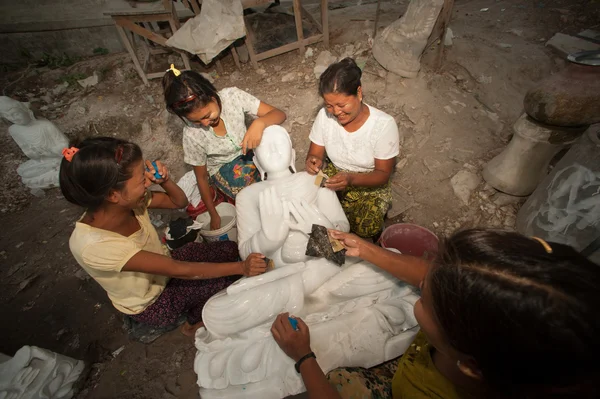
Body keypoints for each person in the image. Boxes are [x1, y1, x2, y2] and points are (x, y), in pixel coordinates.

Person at [271, 229, 600, 399]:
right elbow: (432, 276)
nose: (422, 281)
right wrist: (367, 249)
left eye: (428, 300)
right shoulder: (484, 335)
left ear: (471, 366)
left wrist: (304, 358)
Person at [59, 137, 267, 336]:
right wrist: (241, 268)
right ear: (114, 195)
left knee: (228, 249)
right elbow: (181, 270)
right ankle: (193, 324)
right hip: (154, 301)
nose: (148, 181)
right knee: (226, 282)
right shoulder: (95, 246)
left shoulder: (128, 200)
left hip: (164, 266)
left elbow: (179, 202)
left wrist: (165, 181)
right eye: (142, 179)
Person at [162, 65, 286, 230]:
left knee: (277, 152)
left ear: (213, 96)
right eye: (196, 121)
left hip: (248, 151)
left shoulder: (232, 97)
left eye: (207, 115)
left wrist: (259, 122)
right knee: (252, 195)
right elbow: (202, 178)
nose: (205, 123)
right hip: (224, 167)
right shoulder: (192, 134)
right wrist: (214, 214)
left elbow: (279, 114)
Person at [305, 58, 400, 239]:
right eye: (329, 105)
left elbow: (382, 174)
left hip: (368, 180)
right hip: (336, 173)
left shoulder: (383, 126)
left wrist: (350, 179)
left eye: (342, 105)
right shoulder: (325, 116)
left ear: (359, 92)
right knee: (309, 199)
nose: (336, 111)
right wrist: (313, 160)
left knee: (366, 227)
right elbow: (315, 152)